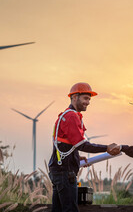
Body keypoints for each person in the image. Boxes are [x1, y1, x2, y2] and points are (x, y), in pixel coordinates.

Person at [48, 82, 120, 212]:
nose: (88, 102)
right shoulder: (71, 116)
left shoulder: (66, 115)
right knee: (70, 210)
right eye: (85, 98)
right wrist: (107, 148)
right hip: (65, 172)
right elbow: (82, 144)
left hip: (59, 170)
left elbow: (65, 144)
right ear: (75, 97)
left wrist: (75, 156)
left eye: (89, 99)